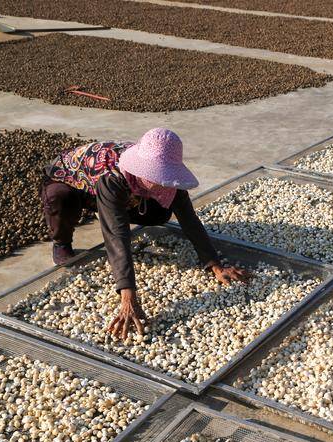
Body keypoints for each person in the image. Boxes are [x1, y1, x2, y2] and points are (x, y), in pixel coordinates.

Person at [40, 127, 248, 339]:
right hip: (73, 184)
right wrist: (127, 296)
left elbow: (189, 218)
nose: (163, 182)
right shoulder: (113, 178)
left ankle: (117, 205)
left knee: (159, 212)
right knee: (61, 197)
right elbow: (116, 236)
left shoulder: (165, 176)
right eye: (158, 176)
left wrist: (215, 265)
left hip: (121, 190)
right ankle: (61, 241)